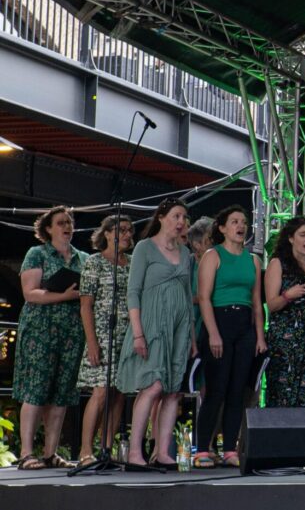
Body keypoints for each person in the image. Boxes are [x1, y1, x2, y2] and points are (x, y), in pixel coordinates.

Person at [115, 198, 194, 468]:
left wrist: (192, 337)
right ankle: (135, 451)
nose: (181, 221)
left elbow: (187, 295)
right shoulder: (145, 248)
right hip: (151, 325)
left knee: (173, 391)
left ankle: (162, 451)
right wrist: (138, 333)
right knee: (153, 386)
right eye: (176, 216)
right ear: (161, 218)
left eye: (184, 216)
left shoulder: (186, 253)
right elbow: (133, 291)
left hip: (179, 327)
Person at [14, 206, 87, 470]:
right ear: (48, 228)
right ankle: (25, 452)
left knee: (61, 391)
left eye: (70, 222)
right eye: (61, 223)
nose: (67, 227)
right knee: (37, 388)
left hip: (71, 332)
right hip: (40, 330)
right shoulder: (38, 254)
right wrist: (64, 296)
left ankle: (50, 452)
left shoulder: (83, 258)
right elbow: (30, 293)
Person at [192, 205, 265, 467]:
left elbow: (257, 302)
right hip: (219, 322)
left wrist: (259, 336)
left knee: (238, 391)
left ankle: (230, 449)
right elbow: (203, 298)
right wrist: (212, 333)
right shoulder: (213, 255)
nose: (240, 226)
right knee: (216, 389)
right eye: (234, 221)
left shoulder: (254, 260)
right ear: (222, 227)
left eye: (243, 222)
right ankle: (202, 449)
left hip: (244, 326)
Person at [76, 215, 133, 467]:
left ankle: (106, 448)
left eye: (130, 230)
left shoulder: (131, 263)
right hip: (102, 330)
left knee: (119, 393)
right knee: (100, 392)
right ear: (107, 233)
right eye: (121, 230)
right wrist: (92, 342)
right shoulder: (94, 262)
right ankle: (85, 450)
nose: (127, 234)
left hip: (127, 333)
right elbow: (85, 304)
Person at [264, 217, 305, 408]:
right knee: (284, 391)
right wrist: (289, 295)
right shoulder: (278, 263)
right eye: (302, 235)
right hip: (286, 338)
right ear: (291, 238)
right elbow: (272, 304)